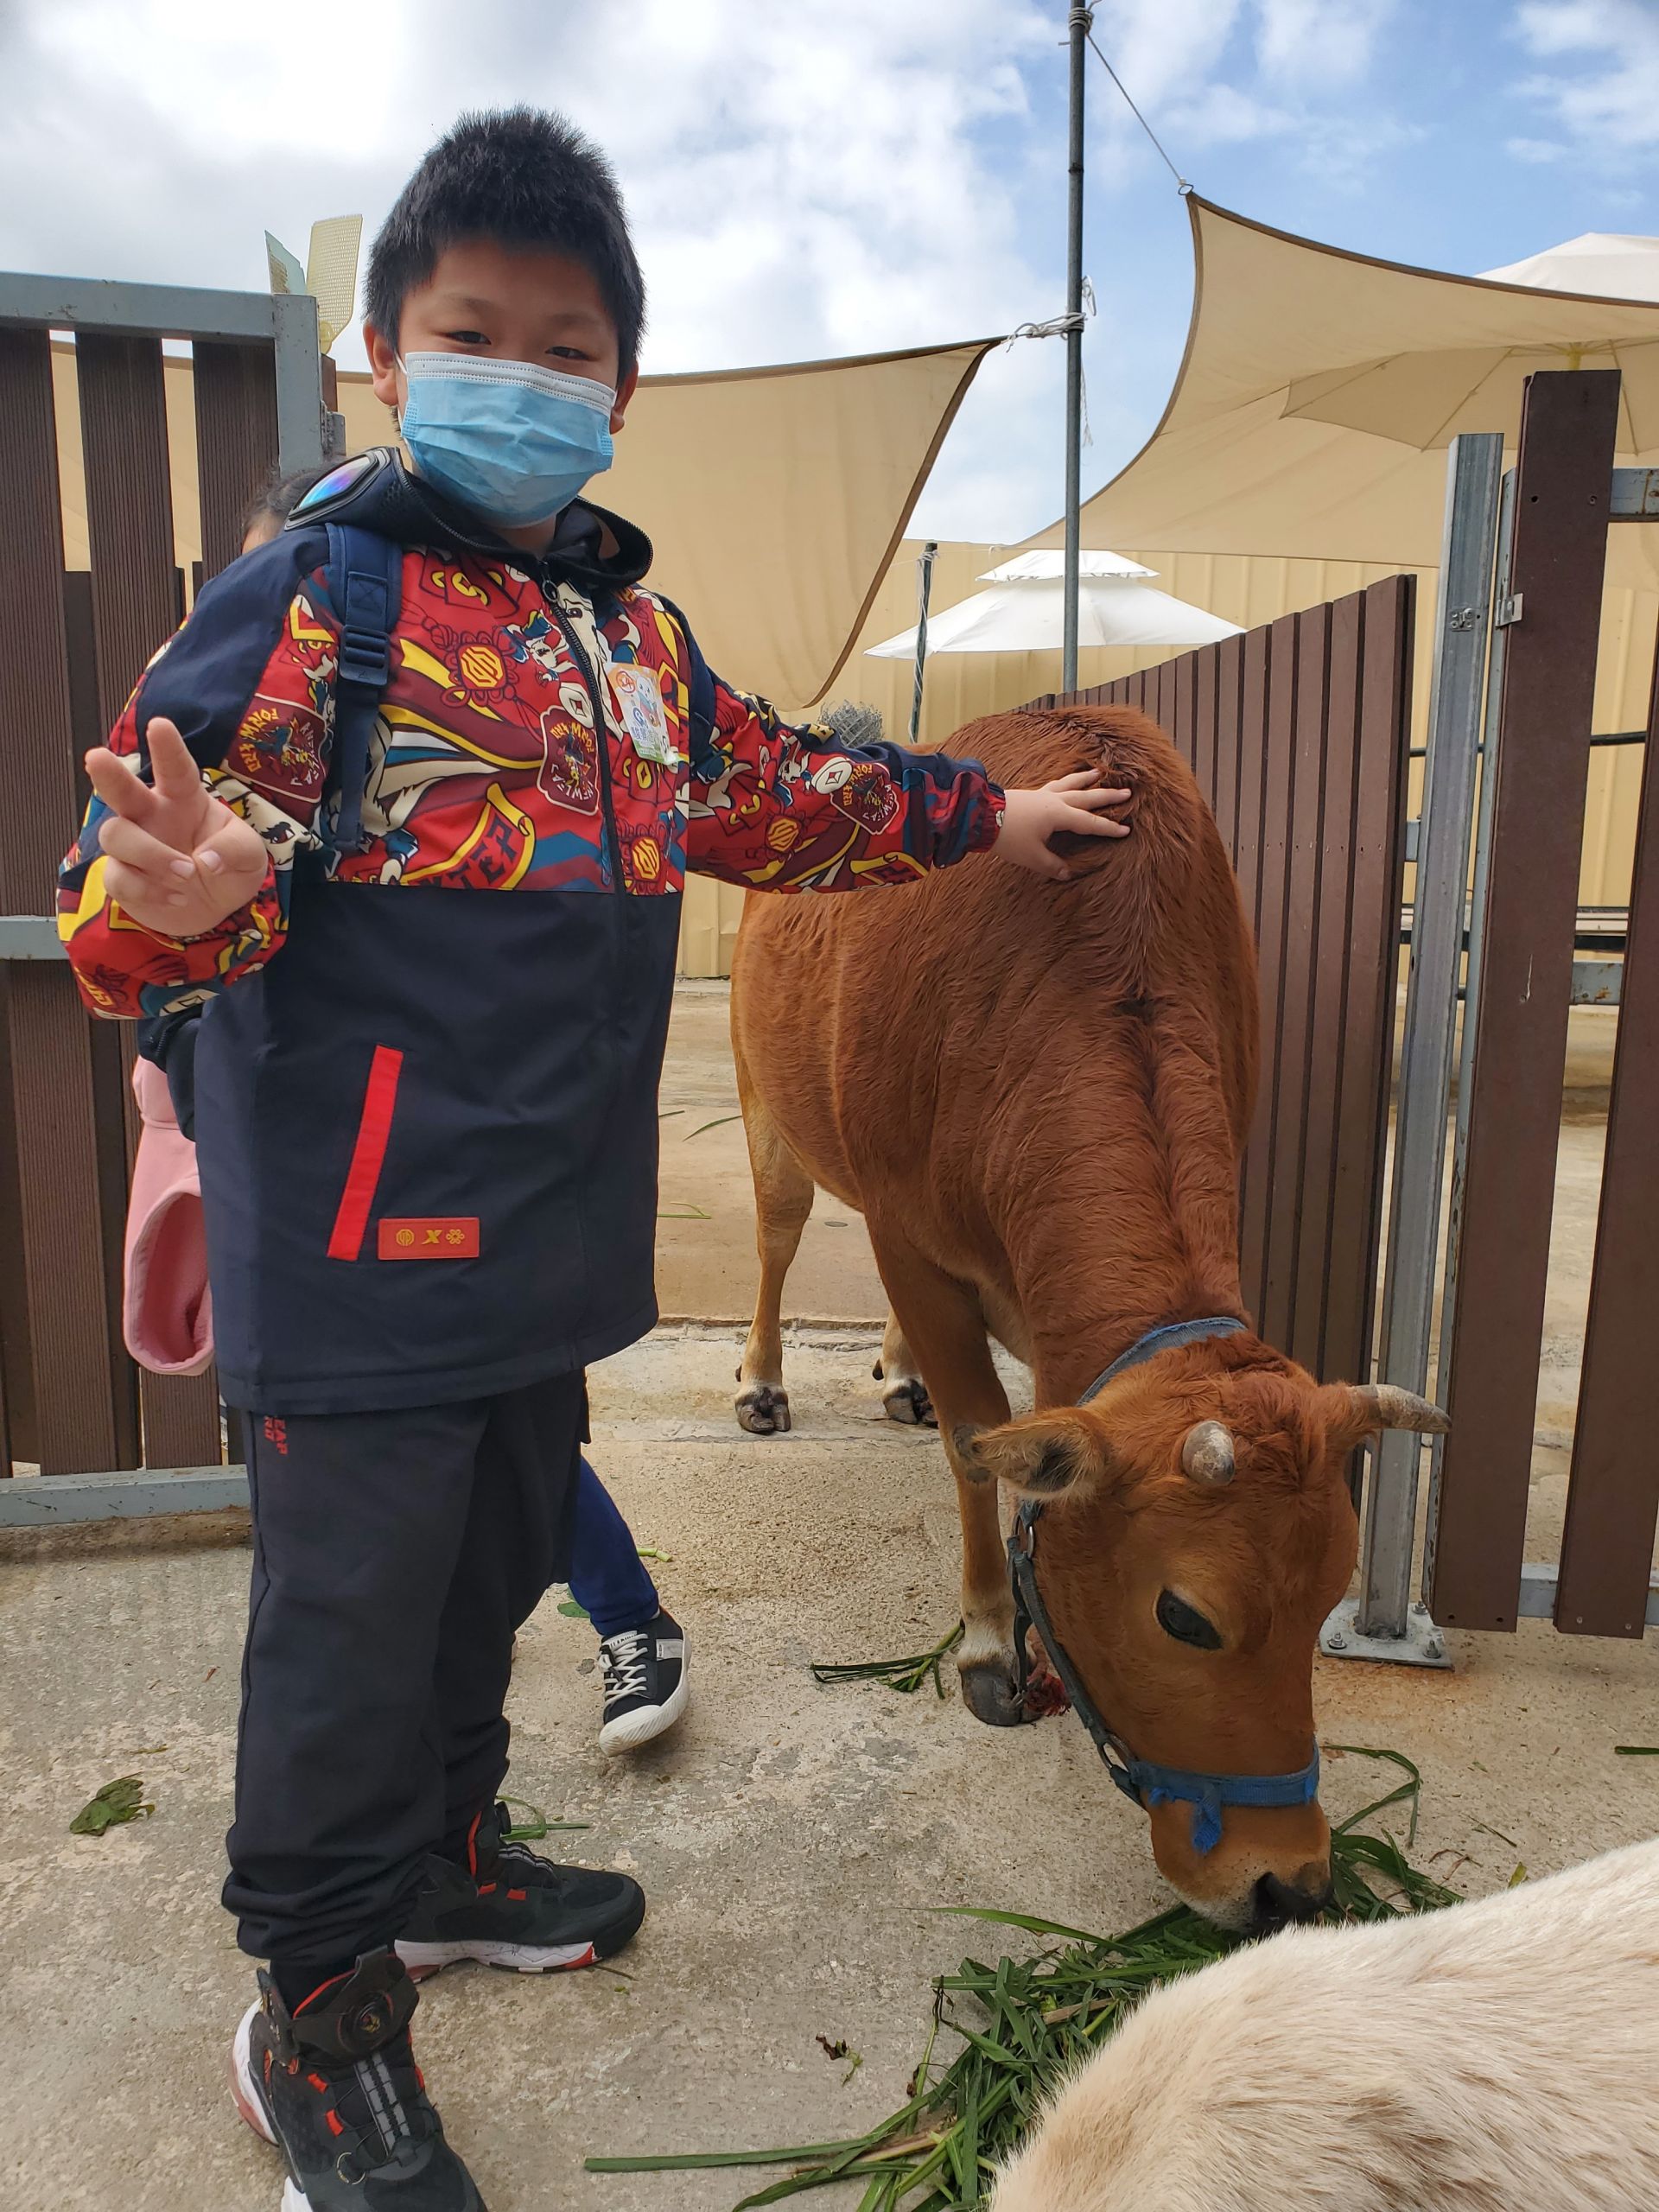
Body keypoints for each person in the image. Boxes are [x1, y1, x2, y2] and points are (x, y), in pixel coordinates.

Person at [58, 108, 1130, 2212]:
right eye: (475, 335)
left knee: (488, 1578)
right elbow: (133, 886)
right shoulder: (316, 602)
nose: (522, 379)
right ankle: (318, 2009)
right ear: (387, 354)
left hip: (542, 1241)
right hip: (355, 1253)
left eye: (567, 350)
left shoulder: (628, 646)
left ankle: (448, 1863)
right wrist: (166, 903)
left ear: (621, 388)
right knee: (347, 1638)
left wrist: (979, 817)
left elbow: (778, 789)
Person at [129, 462, 686, 1759]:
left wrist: (981, 816)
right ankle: (363, 1870)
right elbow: (124, 910)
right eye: (266, 584)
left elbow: (739, 793)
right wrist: (178, 959)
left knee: (498, 1460)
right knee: (361, 1559)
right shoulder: (215, 705)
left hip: (469, 1195)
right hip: (312, 1197)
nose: (290, 615)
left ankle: (602, 1646)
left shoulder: (497, 697)